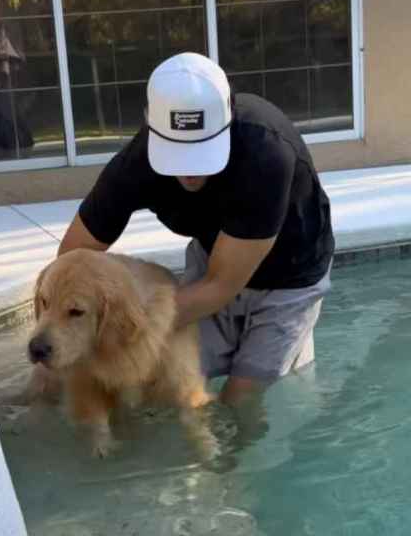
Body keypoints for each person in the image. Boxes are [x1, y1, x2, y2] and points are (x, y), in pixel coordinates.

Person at [58, 52, 334, 408]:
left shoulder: (266, 154)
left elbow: (220, 285)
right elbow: (71, 260)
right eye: (177, 154)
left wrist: (124, 329)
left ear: (229, 123)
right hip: (216, 257)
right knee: (164, 378)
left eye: (200, 153)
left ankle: (233, 460)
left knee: (240, 398)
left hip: (290, 279)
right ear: (151, 128)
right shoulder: (136, 164)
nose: (189, 172)